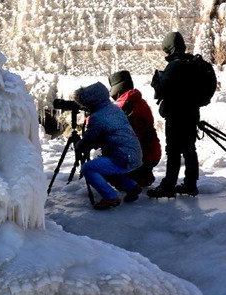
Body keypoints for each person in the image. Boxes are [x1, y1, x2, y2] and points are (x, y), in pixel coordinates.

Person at [72, 82, 143, 210]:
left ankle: (111, 197)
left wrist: (79, 145)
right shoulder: (114, 108)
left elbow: (89, 140)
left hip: (123, 157)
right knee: (106, 167)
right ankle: (132, 187)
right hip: (134, 154)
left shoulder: (98, 117)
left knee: (88, 168)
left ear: (90, 102)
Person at [147, 31, 201, 198]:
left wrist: (156, 82)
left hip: (176, 116)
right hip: (192, 114)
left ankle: (169, 186)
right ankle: (191, 185)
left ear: (170, 48)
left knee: (174, 151)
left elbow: (163, 90)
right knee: (190, 150)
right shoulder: (192, 63)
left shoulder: (174, 66)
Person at [109, 70, 161, 187]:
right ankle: (143, 175)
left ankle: (132, 178)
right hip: (153, 152)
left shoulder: (123, 106)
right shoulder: (140, 101)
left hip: (139, 156)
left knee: (102, 162)